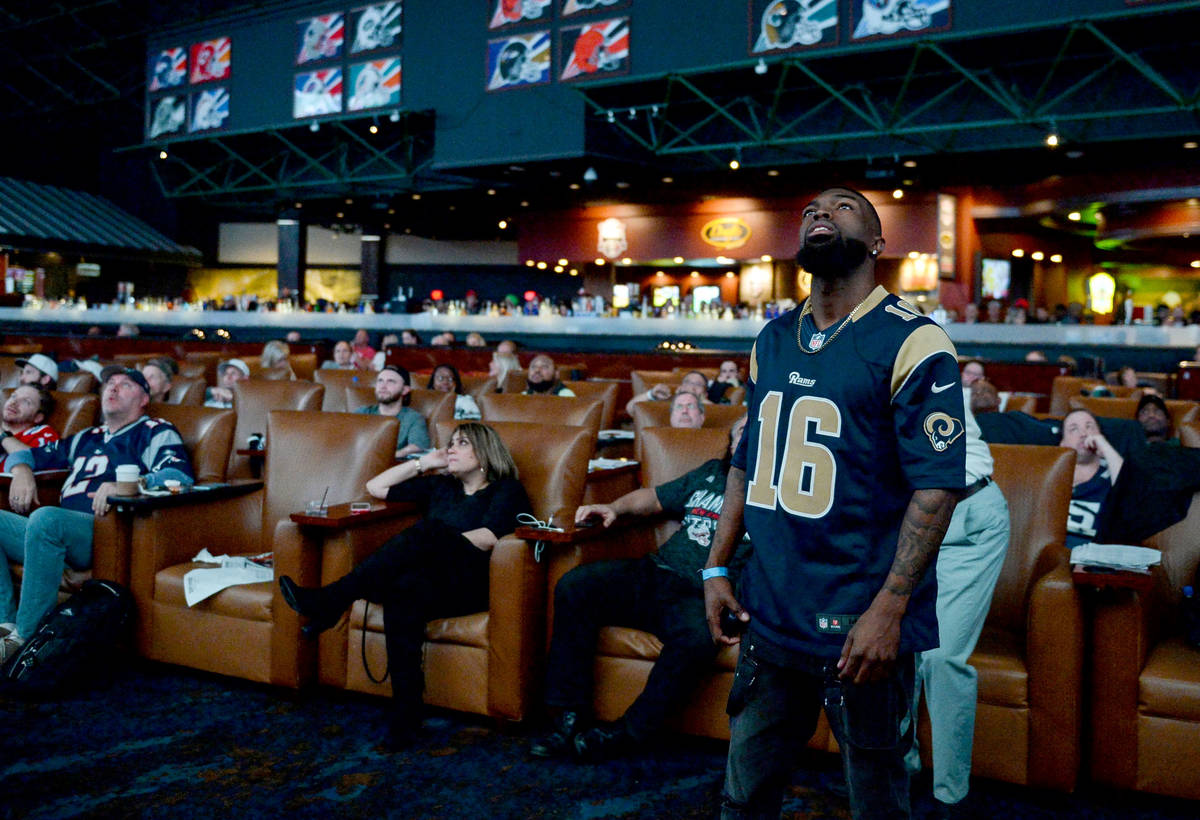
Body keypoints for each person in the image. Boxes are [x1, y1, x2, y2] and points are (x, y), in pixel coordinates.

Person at [702, 187, 966, 819]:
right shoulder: (770, 338)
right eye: (811, 210)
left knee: (874, 798)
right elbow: (747, 458)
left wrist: (890, 607)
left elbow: (937, 487)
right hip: (770, 612)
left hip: (859, 622)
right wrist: (716, 565)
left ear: (878, 242)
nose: (820, 213)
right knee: (743, 796)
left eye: (843, 207)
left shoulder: (916, 341)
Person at [278, 422, 531, 746]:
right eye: (450, 443)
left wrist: (435, 544)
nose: (451, 448)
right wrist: (423, 463)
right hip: (432, 581)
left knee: (427, 533)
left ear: (484, 452)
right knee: (403, 591)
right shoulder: (440, 486)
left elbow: (488, 538)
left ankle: (333, 599)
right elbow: (376, 487)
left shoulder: (506, 489)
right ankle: (407, 717)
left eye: (462, 443)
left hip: (473, 583)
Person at [532, 416, 752, 762]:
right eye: (742, 430)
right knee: (576, 586)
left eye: (759, 429)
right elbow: (654, 498)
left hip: (701, 594)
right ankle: (567, 715)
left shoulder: (775, 494)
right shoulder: (710, 472)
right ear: (731, 442)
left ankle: (628, 733)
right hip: (656, 572)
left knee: (697, 639)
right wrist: (614, 508)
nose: (749, 435)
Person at [0, 367, 194, 661]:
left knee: (46, 518)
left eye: (125, 384)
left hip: (104, 530)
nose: (113, 388)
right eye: (110, 384)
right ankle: (5, 624)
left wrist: (127, 484)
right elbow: (30, 454)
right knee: (38, 522)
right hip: (56, 532)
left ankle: (26, 640)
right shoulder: (84, 437)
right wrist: (23, 471)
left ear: (144, 398)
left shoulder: (154, 430)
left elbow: (178, 475)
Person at [905, 401, 1009, 814]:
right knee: (897, 647)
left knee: (942, 657)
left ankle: (951, 794)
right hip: (910, 520)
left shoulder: (931, 373)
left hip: (969, 518)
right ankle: (900, 770)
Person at [1061, 409, 1124, 549]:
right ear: (1063, 443)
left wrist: (1106, 448)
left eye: (1089, 427)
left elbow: (1130, 494)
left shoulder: (1112, 470)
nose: (1083, 434)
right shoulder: (1051, 473)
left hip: (1092, 555)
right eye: (1074, 429)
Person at [357, 364, 430, 458]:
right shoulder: (362, 413)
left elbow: (418, 446)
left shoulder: (413, 418)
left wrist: (387, 458)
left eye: (390, 382)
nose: (383, 386)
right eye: (380, 381)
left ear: (405, 390)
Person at [0, 385, 59, 471]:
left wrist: (2, 434)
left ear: (38, 417)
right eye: (13, 396)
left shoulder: (43, 433)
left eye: (26, 401)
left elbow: (40, 460)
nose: (14, 402)